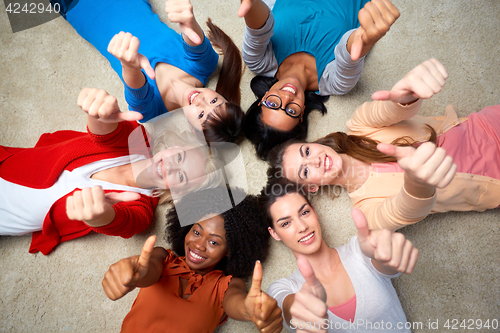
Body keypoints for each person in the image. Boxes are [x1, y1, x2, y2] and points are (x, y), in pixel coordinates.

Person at [266, 58, 500, 230]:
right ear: (312, 187)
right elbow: (405, 210)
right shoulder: (366, 211)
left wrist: (406, 94)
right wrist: (417, 182)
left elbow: (391, 109)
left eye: (306, 151)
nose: (314, 160)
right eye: (305, 170)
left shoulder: (359, 125)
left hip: (488, 125)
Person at [0, 88, 223, 255]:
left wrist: (101, 216)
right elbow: (104, 131)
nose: (170, 167)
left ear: (178, 192)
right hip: (8, 164)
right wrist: (100, 113)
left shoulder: (141, 209)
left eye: (181, 176)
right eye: (179, 157)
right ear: (173, 147)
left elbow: (122, 222)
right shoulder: (137, 139)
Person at [51, 0, 244, 143]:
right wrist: (188, 19)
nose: (201, 101)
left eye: (201, 116)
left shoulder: (153, 112)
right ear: (222, 95)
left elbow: (135, 86)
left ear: (193, 129)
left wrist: (130, 65)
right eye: (214, 101)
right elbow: (192, 34)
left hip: (76, 7)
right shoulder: (206, 64)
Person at [102, 186, 283, 333]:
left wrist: (251, 309)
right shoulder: (164, 258)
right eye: (196, 232)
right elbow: (147, 271)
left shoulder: (226, 285)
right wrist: (135, 273)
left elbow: (236, 302)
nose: (198, 245)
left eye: (213, 242)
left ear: (230, 251)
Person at [238, 0, 400, 159]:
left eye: (273, 104)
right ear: (301, 114)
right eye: (291, 111)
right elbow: (349, 51)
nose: (287, 97)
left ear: (263, 99)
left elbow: (258, 29)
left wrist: (251, 3)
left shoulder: (258, 61)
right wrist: (366, 38)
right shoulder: (335, 83)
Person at [258, 182, 418, 332]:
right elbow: (288, 308)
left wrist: (389, 255)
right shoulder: (282, 288)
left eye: (305, 212)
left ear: (314, 211)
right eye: (286, 223)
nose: (302, 227)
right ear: (274, 233)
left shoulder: (359, 249)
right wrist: (300, 308)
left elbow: (384, 262)